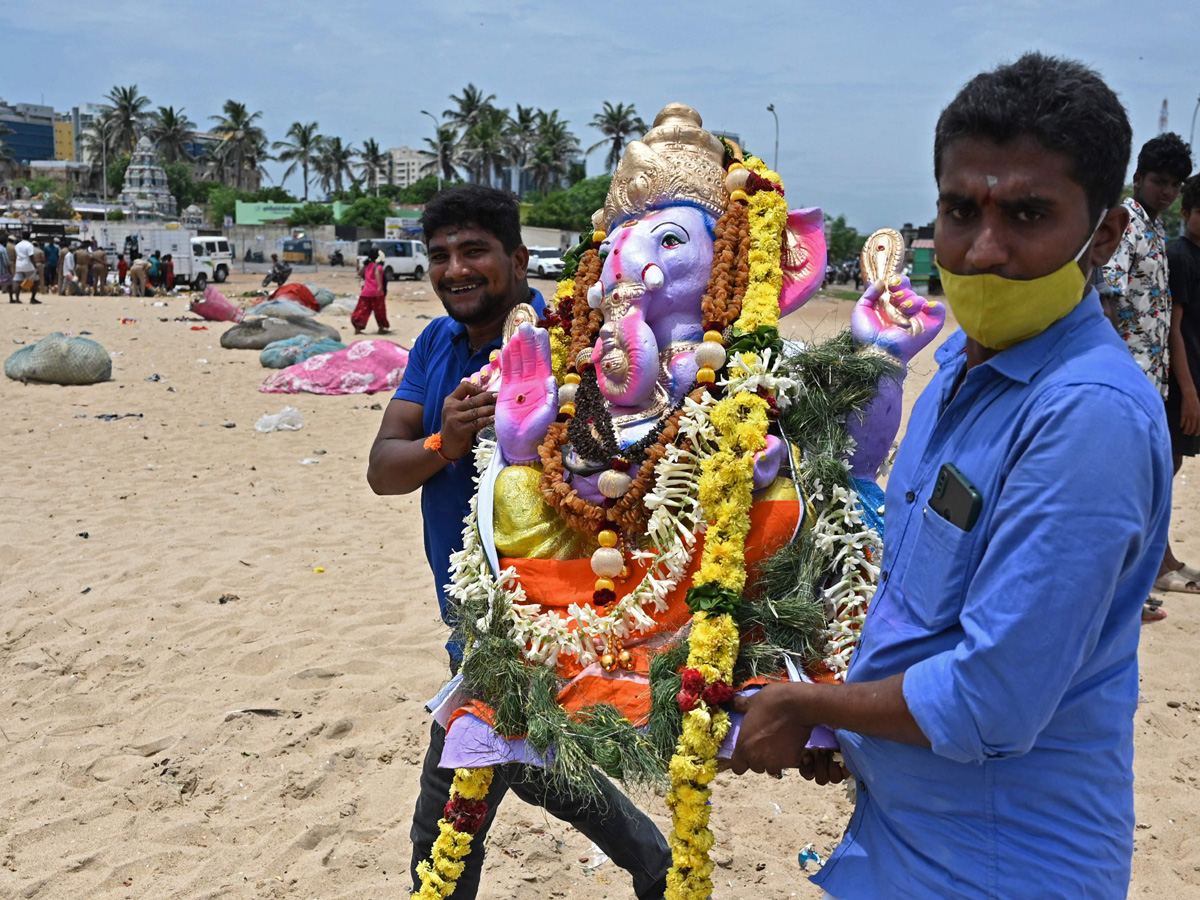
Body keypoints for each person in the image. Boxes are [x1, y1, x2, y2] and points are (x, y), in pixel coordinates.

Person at [730, 53, 1172, 900]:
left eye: (1028, 214)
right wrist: (854, 730)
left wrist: (817, 709)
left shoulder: (1086, 414)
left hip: (1003, 864)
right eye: (961, 209)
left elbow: (991, 698)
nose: (983, 248)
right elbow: (920, 606)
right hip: (904, 841)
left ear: (1105, 236)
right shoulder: (960, 377)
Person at [366, 184, 671, 900]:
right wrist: (448, 439)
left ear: (518, 258)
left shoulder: (573, 346)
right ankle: (653, 862)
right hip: (468, 623)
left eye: (474, 251)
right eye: (440, 255)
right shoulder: (437, 345)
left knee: (442, 826)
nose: (455, 270)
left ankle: (653, 863)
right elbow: (384, 468)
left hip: (532, 629)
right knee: (536, 771)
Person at [1163, 175, 1200, 589]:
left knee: (1172, 465)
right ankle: (1160, 561)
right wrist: (1188, 391)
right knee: (1165, 465)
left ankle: (1167, 558)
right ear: (1186, 214)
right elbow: (1175, 330)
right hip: (1176, 380)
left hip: (1192, 375)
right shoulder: (1180, 256)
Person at [351, 250, 390, 334]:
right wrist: (380, 286)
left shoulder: (366, 265)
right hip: (376, 292)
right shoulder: (378, 266)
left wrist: (364, 266)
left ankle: (357, 328)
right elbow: (377, 274)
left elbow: (359, 273)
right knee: (380, 311)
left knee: (362, 311)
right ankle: (381, 328)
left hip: (365, 292)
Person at [13, 232, 39, 304]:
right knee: (35, 281)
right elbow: (31, 256)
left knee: (18, 282)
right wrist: (35, 266)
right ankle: (32, 298)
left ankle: (17, 299)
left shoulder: (17, 245)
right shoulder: (29, 245)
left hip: (19, 265)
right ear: (29, 237)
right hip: (28, 265)